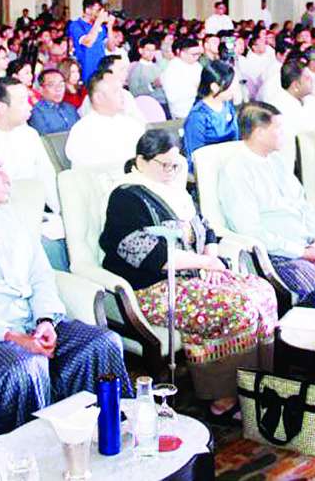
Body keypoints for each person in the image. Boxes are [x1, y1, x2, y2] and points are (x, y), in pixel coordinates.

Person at [0, 144, 130, 434]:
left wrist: (45, 321)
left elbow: (41, 275)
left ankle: (103, 436)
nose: (7, 177)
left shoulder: (11, 219)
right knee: (26, 368)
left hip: (31, 323)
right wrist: (11, 335)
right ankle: (33, 454)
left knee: (102, 342)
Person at [98, 129, 276, 418]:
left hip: (194, 274)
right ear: (141, 160)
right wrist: (206, 264)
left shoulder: (176, 193)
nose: (171, 171)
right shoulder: (126, 197)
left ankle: (255, 386)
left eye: (175, 164)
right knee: (237, 306)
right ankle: (223, 396)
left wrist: (210, 258)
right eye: (163, 164)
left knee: (262, 291)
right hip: (152, 288)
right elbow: (151, 255)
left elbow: (208, 230)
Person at [216, 102, 315, 305]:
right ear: (259, 133)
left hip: (308, 245)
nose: (284, 134)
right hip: (279, 256)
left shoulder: (276, 161)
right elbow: (250, 230)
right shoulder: (236, 170)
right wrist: (301, 253)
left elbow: (304, 206)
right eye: (278, 128)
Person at [0, 76, 61, 214]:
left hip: (34, 209)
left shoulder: (30, 135)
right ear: (1, 108)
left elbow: (46, 176)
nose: (30, 106)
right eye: (22, 102)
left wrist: (58, 211)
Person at [66, 69, 145, 170]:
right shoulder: (82, 131)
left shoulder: (132, 124)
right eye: (116, 91)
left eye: (121, 90)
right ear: (99, 97)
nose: (123, 95)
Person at [182, 61, 239, 160]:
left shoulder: (228, 106)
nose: (234, 90)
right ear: (214, 87)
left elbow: (236, 138)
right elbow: (194, 155)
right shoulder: (198, 116)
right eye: (230, 86)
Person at [67, 0, 112, 82]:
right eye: (98, 10)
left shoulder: (100, 26)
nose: (99, 14)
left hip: (101, 69)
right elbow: (88, 43)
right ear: (87, 10)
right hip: (86, 69)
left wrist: (109, 27)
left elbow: (111, 47)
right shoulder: (76, 25)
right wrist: (98, 21)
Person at [30, 67, 81, 134]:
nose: (58, 89)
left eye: (61, 84)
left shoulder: (70, 108)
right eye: (51, 85)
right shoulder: (36, 112)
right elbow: (46, 138)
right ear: (41, 90)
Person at [163, 37, 204, 119]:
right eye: (193, 54)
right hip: (183, 112)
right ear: (180, 52)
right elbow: (172, 97)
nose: (197, 57)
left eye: (198, 54)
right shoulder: (171, 69)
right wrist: (196, 89)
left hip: (199, 109)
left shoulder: (197, 65)